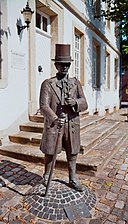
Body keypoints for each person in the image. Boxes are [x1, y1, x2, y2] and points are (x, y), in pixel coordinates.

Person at [39, 44, 88, 192]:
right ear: (56, 65)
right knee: (50, 151)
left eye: (67, 64)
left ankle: (72, 177)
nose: (65, 67)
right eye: (62, 64)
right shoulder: (48, 84)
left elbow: (85, 103)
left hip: (72, 123)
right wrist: (54, 118)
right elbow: (43, 105)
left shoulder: (75, 83)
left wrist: (75, 103)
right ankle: (47, 175)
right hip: (55, 125)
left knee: (72, 152)